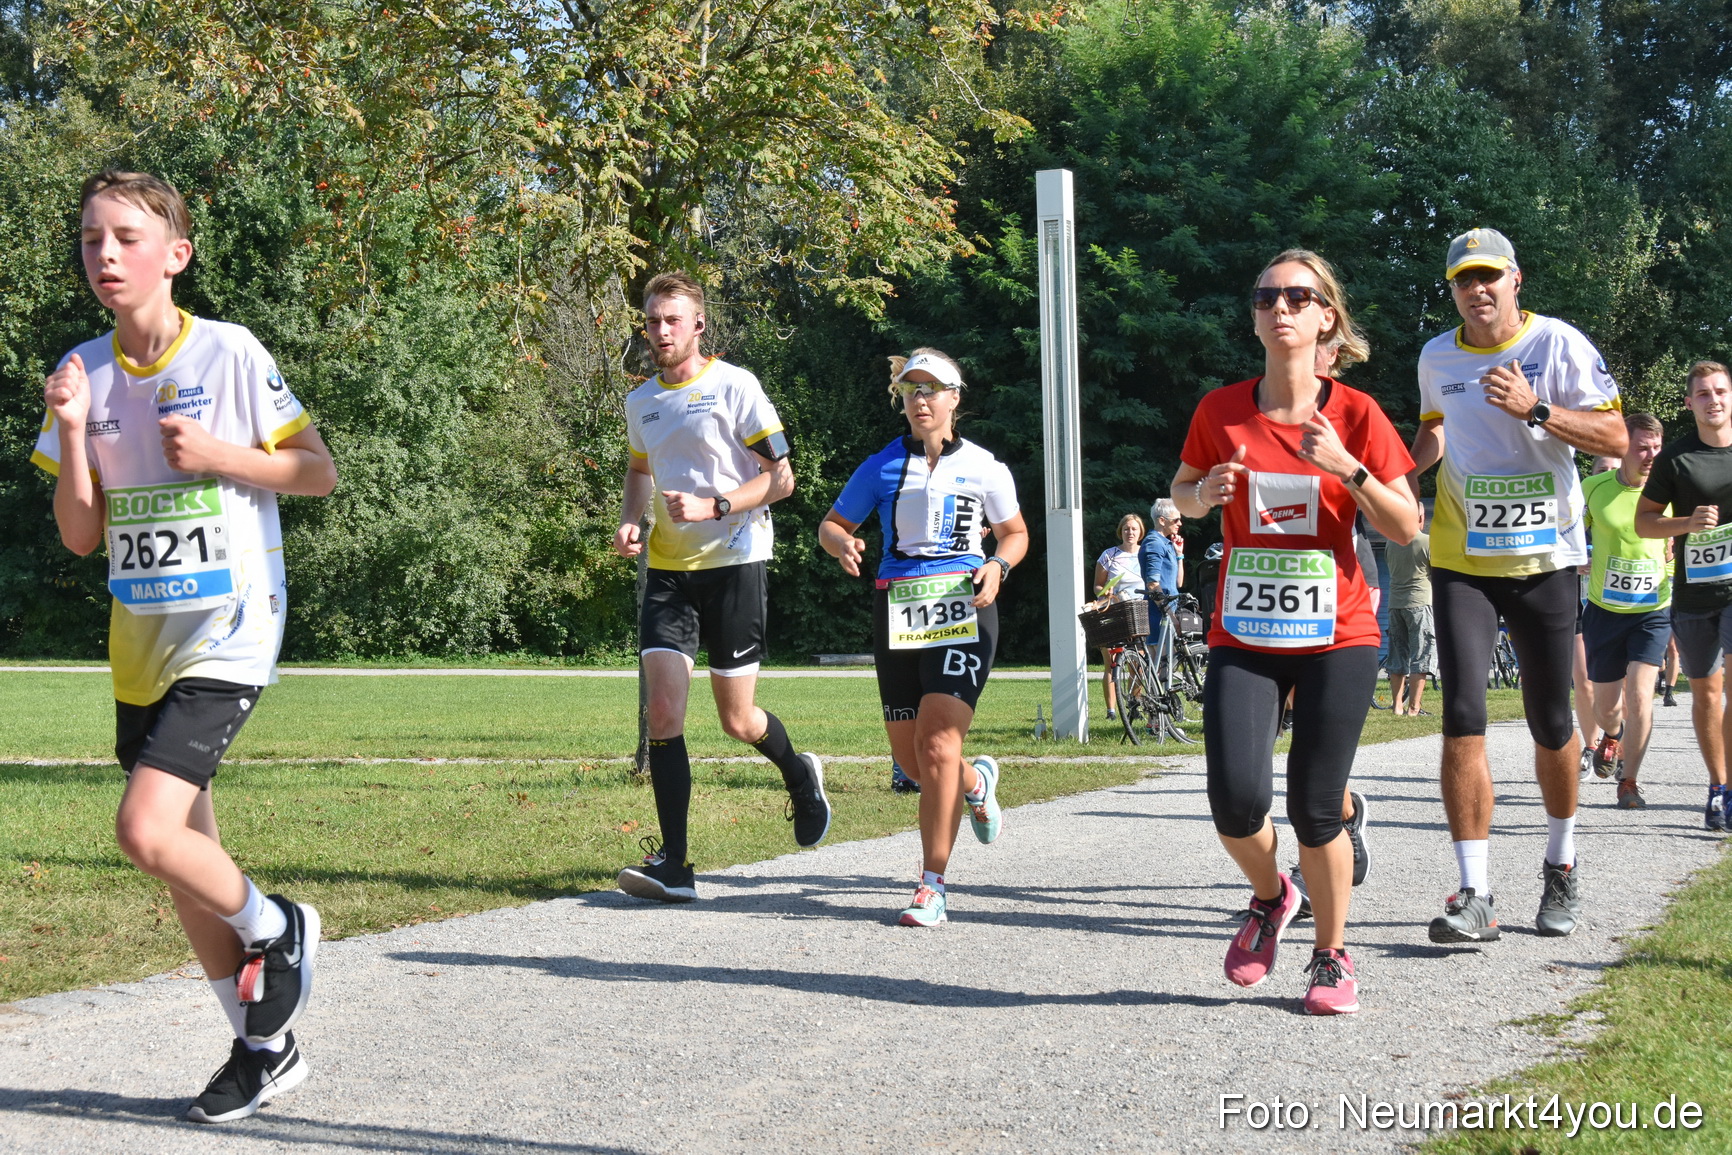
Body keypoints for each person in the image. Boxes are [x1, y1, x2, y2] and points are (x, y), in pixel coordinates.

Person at [35, 172, 338, 1123]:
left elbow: (317, 471)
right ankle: (263, 1048)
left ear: (176, 253)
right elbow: (81, 535)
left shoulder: (232, 353)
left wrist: (221, 457)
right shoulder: (81, 371)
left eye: (126, 237)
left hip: (231, 628)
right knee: (180, 856)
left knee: (144, 830)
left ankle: (280, 927)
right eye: (90, 240)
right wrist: (78, 433)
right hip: (141, 643)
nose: (106, 256)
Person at [1171, 249, 1419, 1015]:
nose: (1280, 307)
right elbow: (1179, 494)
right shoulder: (1220, 411)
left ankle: (1332, 955)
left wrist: (1350, 468)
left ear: (1325, 318)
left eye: (1298, 296)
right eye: (1266, 296)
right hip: (1245, 629)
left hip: (1338, 632)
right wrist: (1202, 493)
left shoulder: (1358, 415)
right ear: (1254, 317)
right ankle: (1272, 894)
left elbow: (1406, 523)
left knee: (1315, 806)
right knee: (1236, 803)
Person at [1412, 229, 1628, 943]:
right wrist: (1399, 469)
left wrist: (1536, 408)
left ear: (1515, 280)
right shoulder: (1437, 356)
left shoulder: (1559, 345)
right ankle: (1475, 890)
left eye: (1489, 277)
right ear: (1451, 288)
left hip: (1546, 556)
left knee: (1551, 720)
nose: (1477, 289)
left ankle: (1561, 863)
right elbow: (1437, 429)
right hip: (1462, 555)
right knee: (1462, 716)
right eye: (1463, 279)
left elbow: (1617, 439)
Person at [613, 272, 831, 902]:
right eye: (652, 321)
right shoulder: (641, 403)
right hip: (668, 574)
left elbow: (782, 479)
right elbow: (638, 469)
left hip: (735, 563)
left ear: (698, 325)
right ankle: (675, 866)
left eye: (671, 321)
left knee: (738, 720)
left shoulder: (736, 387)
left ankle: (798, 772)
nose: (659, 332)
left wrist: (715, 506)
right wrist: (633, 518)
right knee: (662, 712)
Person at [820, 347, 1028, 926]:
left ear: (955, 399)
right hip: (899, 609)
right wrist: (842, 543)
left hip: (965, 605)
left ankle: (931, 884)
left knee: (938, 743)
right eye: (911, 390)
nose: (920, 400)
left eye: (931, 389)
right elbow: (832, 524)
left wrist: (999, 566)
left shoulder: (985, 466)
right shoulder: (882, 464)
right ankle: (976, 781)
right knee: (912, 762)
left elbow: (1014, 534)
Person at [1635, 361, 1732, 832]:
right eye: (1703, 393)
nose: (1713, 399)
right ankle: (1718, 784)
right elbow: (1644, 521)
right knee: (1707, 694)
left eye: (1720, 391)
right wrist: (1687, 524)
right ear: (1690, 402)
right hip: (1695, 593)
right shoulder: (1676, 458)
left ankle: (1731, 792)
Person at [1581, 413, 1671, 809]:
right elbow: (1566, 531)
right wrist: (1574, 559)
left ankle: (1629, 781)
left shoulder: (1673, 491)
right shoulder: (1593, 488)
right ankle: (1613, 736)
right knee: (1606, 708)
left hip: (1654, 608)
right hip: (1604, 610)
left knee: (1640, 696)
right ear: (1622, 446)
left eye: (1656, 447)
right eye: (1642, 447)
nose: (1650, 455)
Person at [1093, 513, 1146, 719]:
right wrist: (1104, 591)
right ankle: (1111, 711)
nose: (1130, 532)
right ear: (1120, 531)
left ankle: (1134, 706)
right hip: (1113, 611)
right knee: (1112, 662)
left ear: (1140, 532)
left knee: (1138, 664)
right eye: (1126, 529)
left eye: (1133, 529)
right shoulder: (1109, 555)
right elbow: (1097, 585)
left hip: (1138, 612)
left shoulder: (1146, 554)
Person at [1384, 506, 1435, 715]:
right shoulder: (1427, 541)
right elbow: (1437, 572)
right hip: (1420, 603)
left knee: (1397, 657)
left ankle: (1397, 706)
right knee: (1421, 656)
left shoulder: (1390, 542)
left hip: (1395, 604)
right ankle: (1414, 707)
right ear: (1421, 518)